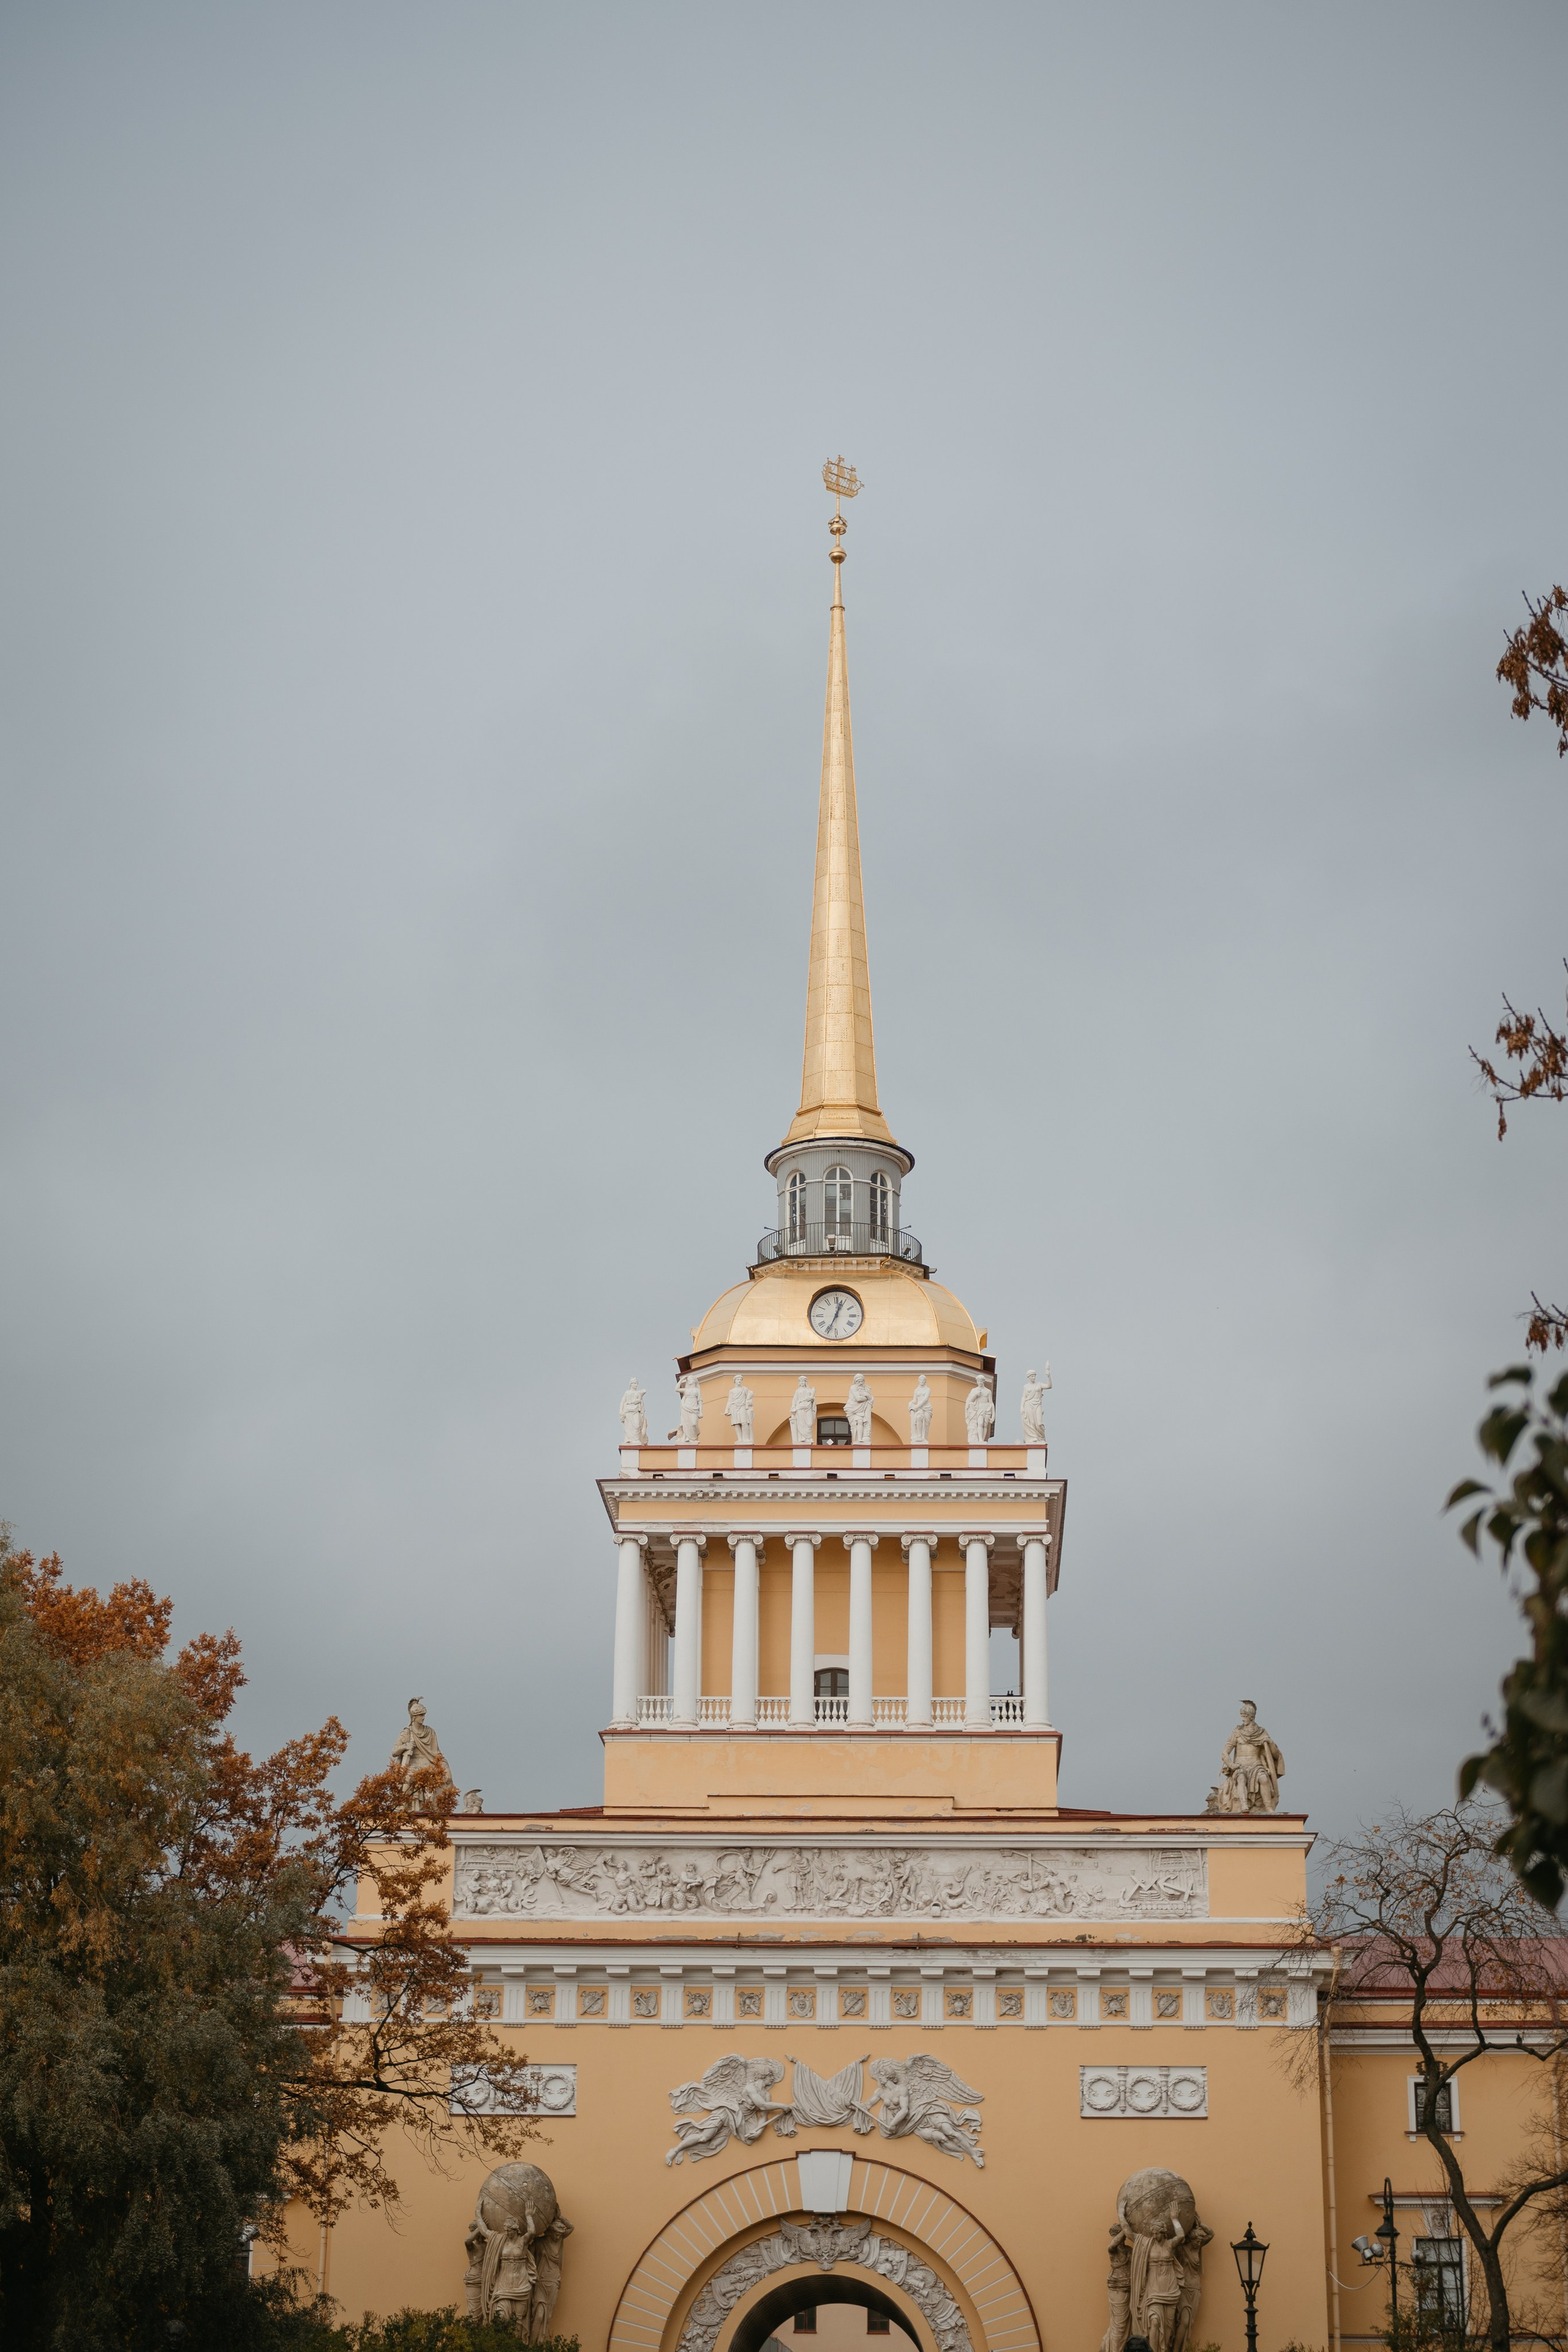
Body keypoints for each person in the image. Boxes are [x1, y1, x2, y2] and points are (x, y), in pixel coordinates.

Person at [1216, 1701, 1284, 1814]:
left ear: (1251, 1717)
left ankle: (1268, 1807)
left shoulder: (1262, 1732)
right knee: (1241, 1777)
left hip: (1256, 1764)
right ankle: (1244, 1806)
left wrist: (1270, 1743)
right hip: (1240, 1765)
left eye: (1244, 1717)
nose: (1242, 1719)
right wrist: (1232, 1765)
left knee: (1263, 1778)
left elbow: (1276, 1755)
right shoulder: (1237, 1732)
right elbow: (1224, 1754)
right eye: (1242, 1716)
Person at [390, 1697, 445, 1776]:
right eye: (421, 1715)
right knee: (408, 1777)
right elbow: (394, 1752)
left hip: (430, 1763)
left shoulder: (430, 1732)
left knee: (445, 1771)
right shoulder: (407, 1732)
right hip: (413, 1766)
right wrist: (405, 1746)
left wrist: (442, 1763)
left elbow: (436, 1753)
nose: (423, 1718)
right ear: (414, 1717)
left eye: (424, 1715)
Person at [1020, 1365, 1051, 1444]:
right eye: (1032, 1376)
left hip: (1038, 1405)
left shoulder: (1039, 1385)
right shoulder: (1026, 1387)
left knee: (1039, 1423)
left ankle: (1041, 1438)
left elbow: (1049, 1386)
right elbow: (1024, 1397)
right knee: (1032, 1423)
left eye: (1034, 1376)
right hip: (1029, 1404)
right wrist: (1022, 1407)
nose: (1034, 1378)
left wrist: (1048, 1376)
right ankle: (1034, 1438)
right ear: (1029, 1377)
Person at [725, 1374, 755, 1443]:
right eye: (738, 1380)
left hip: (743, 1406)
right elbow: (729, 1401)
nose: (739, 1381)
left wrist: (750, 1403)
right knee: (737, 1424)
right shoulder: (732, 1391)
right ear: (735, 1381)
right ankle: (740, 1439)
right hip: (734, 1407)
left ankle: (746, 1439)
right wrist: (727, 1409)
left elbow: (748, 1398)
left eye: (741, 1380)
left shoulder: (745, 1389)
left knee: (744, 1423)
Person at [908, 1374, 932, 1443]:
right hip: (919, 1408)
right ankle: (919, 1436)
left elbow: (925, 1399)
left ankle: (924, 1437)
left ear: (925, 1382)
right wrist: (911, 1403)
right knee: (919, 1418)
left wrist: (916, 1407)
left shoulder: (928, 1390)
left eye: (923, 1380)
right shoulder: (916, 1390)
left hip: (927, 1408)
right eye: (921, 1380)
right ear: (919, 1381)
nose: (922, 1381)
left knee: (926, 1425)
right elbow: (915, 1400)